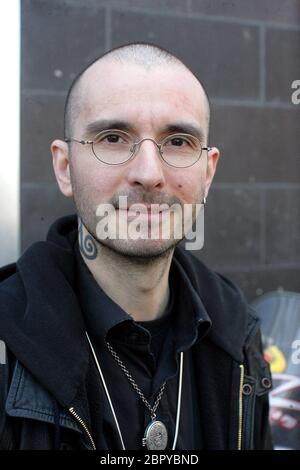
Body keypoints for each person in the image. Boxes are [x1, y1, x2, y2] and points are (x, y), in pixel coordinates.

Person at [0, 42, 272, 450]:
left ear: (208, 173)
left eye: (178, 141)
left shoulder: (237, 338)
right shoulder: (7, 347)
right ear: (64, 168)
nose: (148, 174)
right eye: (113, 137)